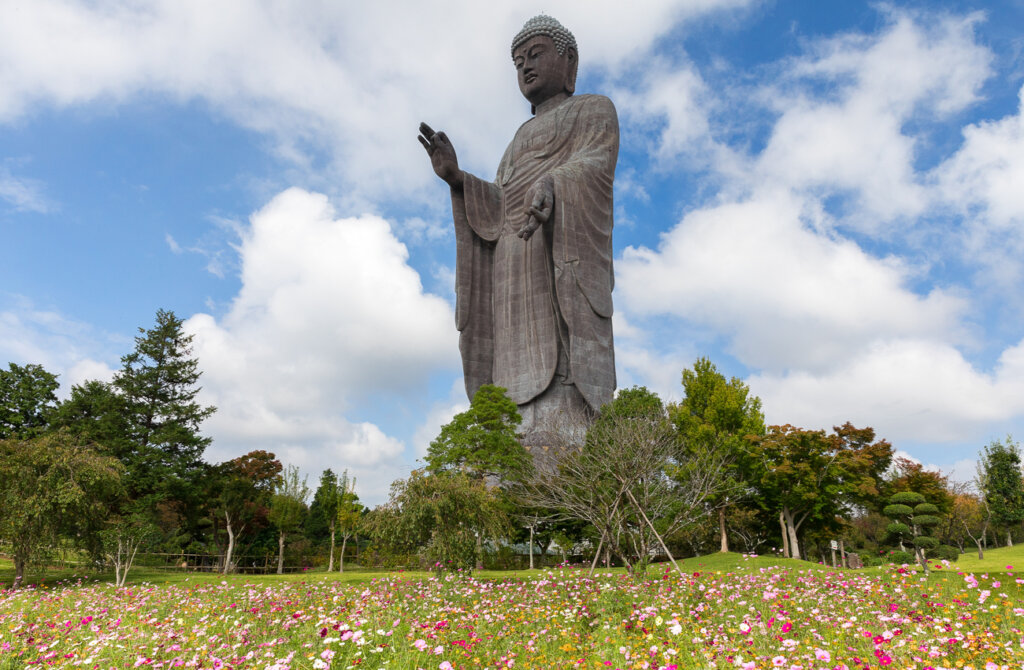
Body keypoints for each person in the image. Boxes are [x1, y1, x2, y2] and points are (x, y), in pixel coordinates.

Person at [418, 15, 618, 444]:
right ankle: (512, 429)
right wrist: (458, 179)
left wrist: (553, 183)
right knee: (511, 350)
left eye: (535, 54)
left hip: (553, 244)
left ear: (569, 61)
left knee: (557, 343)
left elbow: (596, 162)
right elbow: (500, 201)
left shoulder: (592, 109)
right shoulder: (516, 140)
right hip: (511, 257)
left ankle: (564, 419)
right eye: (518, 61)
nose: (525, 66)